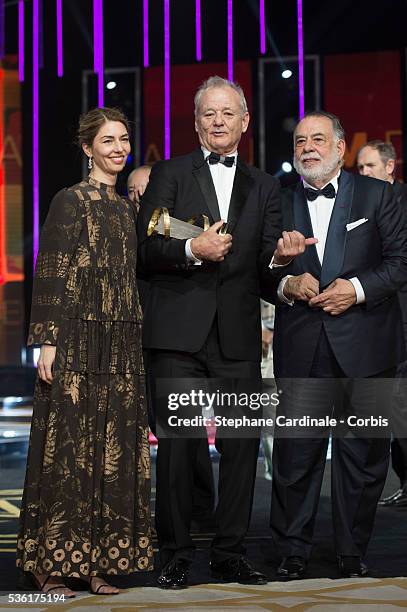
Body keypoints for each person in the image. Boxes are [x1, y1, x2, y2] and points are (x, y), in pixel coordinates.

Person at [137, 75, 307, 589]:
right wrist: (193, 250)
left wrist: (282, 267)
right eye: (209, 113)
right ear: (196, 122)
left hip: (237, 335)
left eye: (227, 113)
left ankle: (231, 552)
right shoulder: (168, 173)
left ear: (245, 122)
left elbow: (263, 268)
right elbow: (146, 249)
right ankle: (175, 554)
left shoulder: (265, 185)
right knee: (178, 447)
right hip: (178, 334)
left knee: (241, 446)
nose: (218, 122)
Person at [16, 107, 154, 596]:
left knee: (109, 452)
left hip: (119, 343)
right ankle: (49, 563)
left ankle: (96, 560)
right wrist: (47, 341)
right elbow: (51, 271)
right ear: (87, 147)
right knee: (69, 451)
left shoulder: (124, 208)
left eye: (123, 140)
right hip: (74, 339)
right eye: (109, 141)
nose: (119, 148)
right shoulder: (69, 201)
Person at [270, 111, 407, 581]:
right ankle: (292, 550)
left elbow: (400, 262)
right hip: (302, 344)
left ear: (340, 148)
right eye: (300, 141)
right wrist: (286, 279)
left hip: (366, 345)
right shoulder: (277, 200)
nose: (308, 147)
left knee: (364, 457)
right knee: (294, 456)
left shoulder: (380, 195)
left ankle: (352, 551)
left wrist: (357, 289)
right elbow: (257, 272)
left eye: (317, 139)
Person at [127, 164, 216, 528]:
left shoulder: (176, 227)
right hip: (127, 340)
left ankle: (198, 507)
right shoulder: (118, 226)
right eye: (132, 189)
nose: (139, 195)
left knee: (182, 428)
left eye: (145, 188)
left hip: (170, 338)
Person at [357, 140, 407, 508]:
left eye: (371, 167)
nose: (364, 174)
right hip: (376, 319)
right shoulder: (362, 206)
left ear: (390, 167)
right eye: (359, 169)